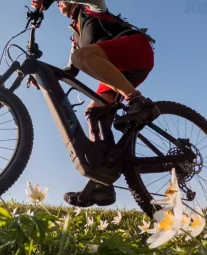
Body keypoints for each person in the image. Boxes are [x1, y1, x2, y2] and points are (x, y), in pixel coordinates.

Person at [30, 0, 160, 207]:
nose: (58, 4)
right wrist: (41, 76)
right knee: (94, 112)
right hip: (119, 72)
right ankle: (103, 182)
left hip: (136, 50)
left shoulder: (92, 8)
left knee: (82, 56)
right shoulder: (77, 37)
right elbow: (70, 72)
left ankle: (138, 101)